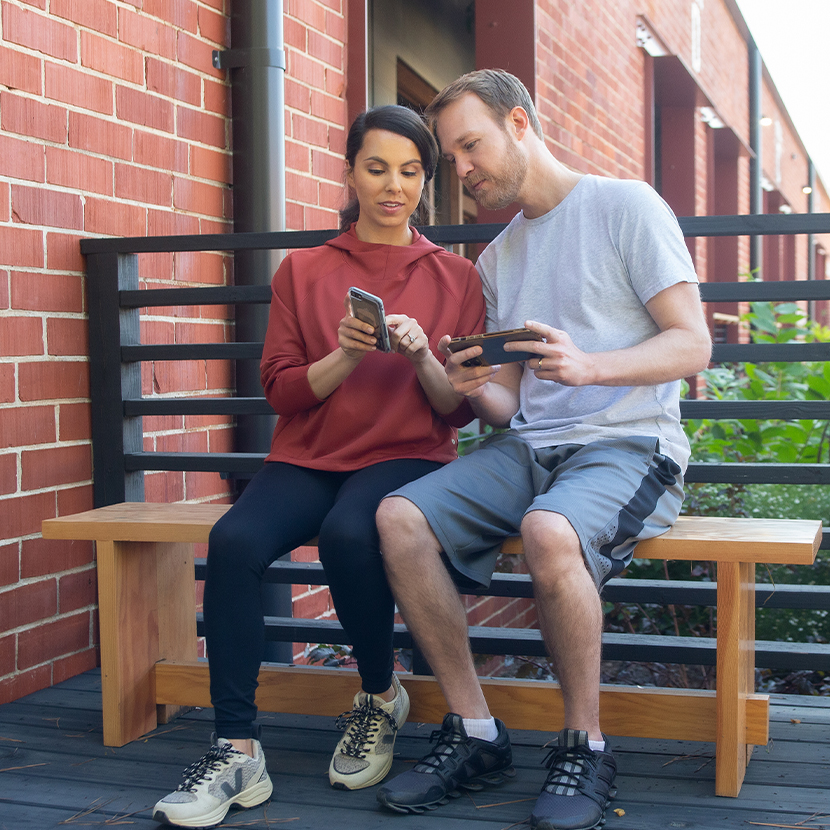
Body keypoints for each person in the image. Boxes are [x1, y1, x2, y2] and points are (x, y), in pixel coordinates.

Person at [374, 70, 712, 830]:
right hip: (532, 445)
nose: (461, 171)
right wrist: (467, 384)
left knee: (547, 531)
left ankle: (585, 746)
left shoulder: (625, 206)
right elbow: (512, 404)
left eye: (471, 147)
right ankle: (477, 730)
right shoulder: (498, 259)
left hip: (629, 443)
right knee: (399, 518)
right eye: (452, 158)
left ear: (519, 123)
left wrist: (593, 366)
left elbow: (694, 344)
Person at [152, 105, 486, 829]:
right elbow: (280, 389)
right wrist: (347, 354)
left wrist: (424, 353)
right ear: (350, 172)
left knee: (347, 532)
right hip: (310, 453)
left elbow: (455, 413)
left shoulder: (456, 275)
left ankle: (376, 695)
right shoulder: (304, 269)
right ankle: (236, 748)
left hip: (405, 454)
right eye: (376, 168)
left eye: (409, 171)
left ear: (424, 180)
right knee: (234, 542)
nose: (392, 186)